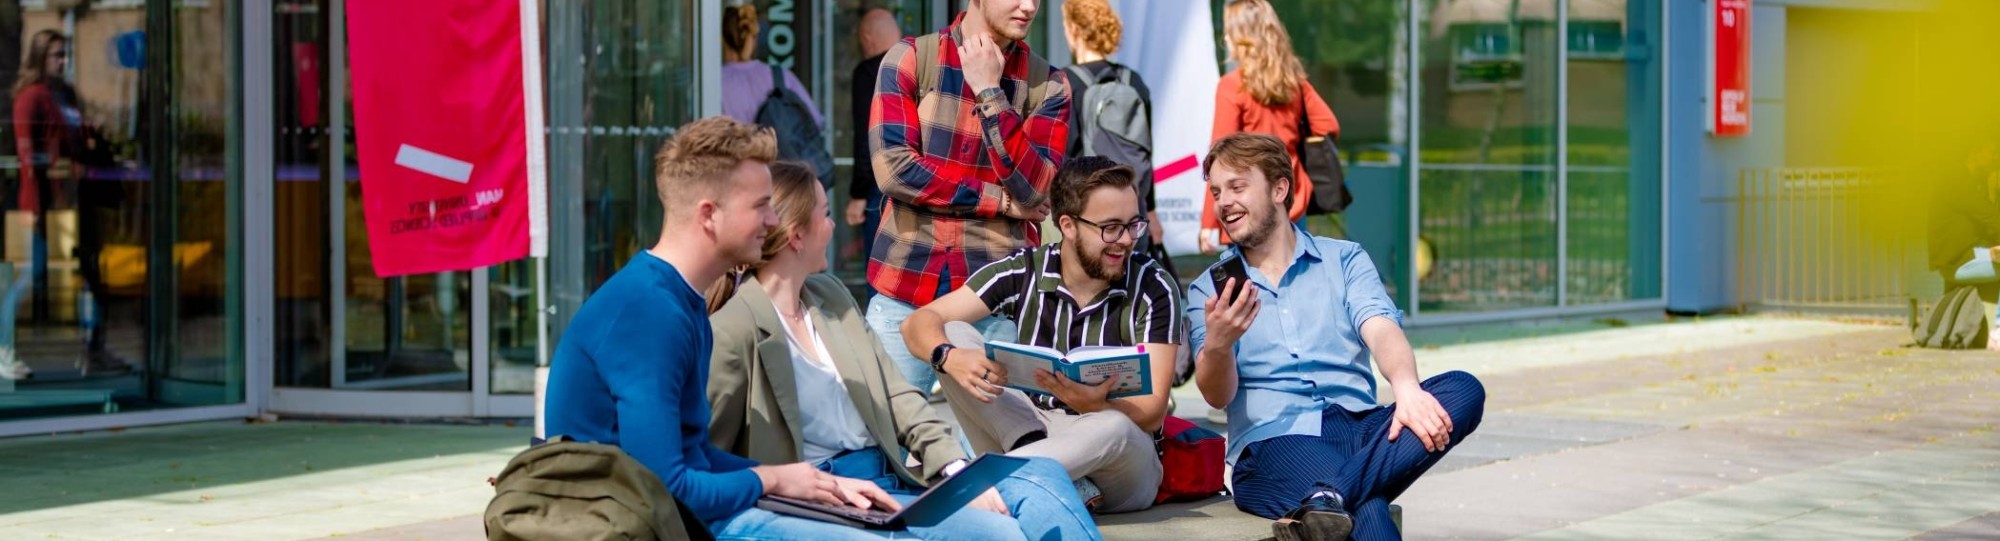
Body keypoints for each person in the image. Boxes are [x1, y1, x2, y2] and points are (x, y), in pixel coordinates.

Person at [544, 117, 914, 540]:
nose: (774, 221)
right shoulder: (648, 313)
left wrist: (811, 483)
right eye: (760, 206)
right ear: (709, 215)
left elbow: (695, 455)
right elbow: (667, 489)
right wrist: (772, 482)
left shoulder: (678, 299)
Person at [704, 161, 1100, 540]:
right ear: (796, 235)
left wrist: (954, 467)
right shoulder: (733, 327)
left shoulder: (830, 297)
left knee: (1042, 474)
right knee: (1001, 531)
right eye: (825, 214)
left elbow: (896, 395)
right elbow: (708, 458)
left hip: (889, 479)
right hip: (824, 500)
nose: (833, 224)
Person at [1188, 133, 1485, 541]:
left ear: (1279, 188)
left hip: (1360, 429)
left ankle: (1328, 497)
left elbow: (1380, 327)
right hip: (1276, 441)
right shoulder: (1210, 290)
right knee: (1369, 511)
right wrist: (1219, 344)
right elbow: (1216, 397)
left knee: (1462, 389)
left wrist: (1407, 388)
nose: (1223, 203)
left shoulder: (1344, 259)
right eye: (1216, 191)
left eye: (1237, 187)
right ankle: (1334, 493)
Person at [900, 157, 1178, 513]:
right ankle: (1042, 466)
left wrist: (1097, 404)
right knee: (952, 332)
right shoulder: (1025, 268)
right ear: (1069, 225)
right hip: (1035, 427)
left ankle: (972, 488)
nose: (1124, 241)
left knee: (1113, 427)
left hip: (1121, 463)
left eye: (1132, 225)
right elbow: (918, 323)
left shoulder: (1153, 285)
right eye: (1110, 228)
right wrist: (949, 357)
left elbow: (1153, 412)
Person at [866, 0, 1072, 395]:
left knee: (992, 448)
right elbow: (894, 171)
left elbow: (1034, 188)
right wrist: (1002, 203)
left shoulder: (1049, 83)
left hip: (994, 296)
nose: (1030, 7)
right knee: (882, 439)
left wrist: (991, 93)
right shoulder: (910, 58)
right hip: (905, 282)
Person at [1, 30, 127, 381]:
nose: (63, 61)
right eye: (56, 55)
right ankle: (4, 347)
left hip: (77, 197)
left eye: (65, 54)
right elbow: (30, 158)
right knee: (33, 274)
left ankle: (94, 350)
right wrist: (35, 207)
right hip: (46, 202)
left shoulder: (65, 95)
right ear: (40, 57)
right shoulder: (31, 97)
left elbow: (72, 136)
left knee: (92, 275)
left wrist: (91, 134)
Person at [1198, 0, 1339, 255]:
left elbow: (1220, 158)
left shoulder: (1233, 86)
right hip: (1290, 200)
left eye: (1230, 31)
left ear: (1242, 37)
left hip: (1246, 208)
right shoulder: (1294, 83)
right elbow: (1328, 125)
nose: (1226, 38)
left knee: (1249, 290)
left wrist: (1209, 221)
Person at [846, 8, 901, 294]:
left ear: (867, 38)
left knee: (880, 278)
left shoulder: (868, 72)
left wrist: (858, 194)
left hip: (881, 187)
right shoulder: (917, 63)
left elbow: (866, 137)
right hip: (921, 184)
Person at [1926, 140, 2000, 349]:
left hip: (1964, 257)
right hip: (1956, 263)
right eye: (1992, 151)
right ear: (1974, 152)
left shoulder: (1968, 181)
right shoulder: (1957, 182)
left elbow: (1989, 224)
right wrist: (1994, 193)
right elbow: (1989, 218)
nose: (1995, 157)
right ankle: (1997, 332)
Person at [719, 3, 826, 129]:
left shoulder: (715, 82)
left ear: (722, 39)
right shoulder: (779, 76)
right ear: (753, 38)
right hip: (775, 148)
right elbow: (815, 120)